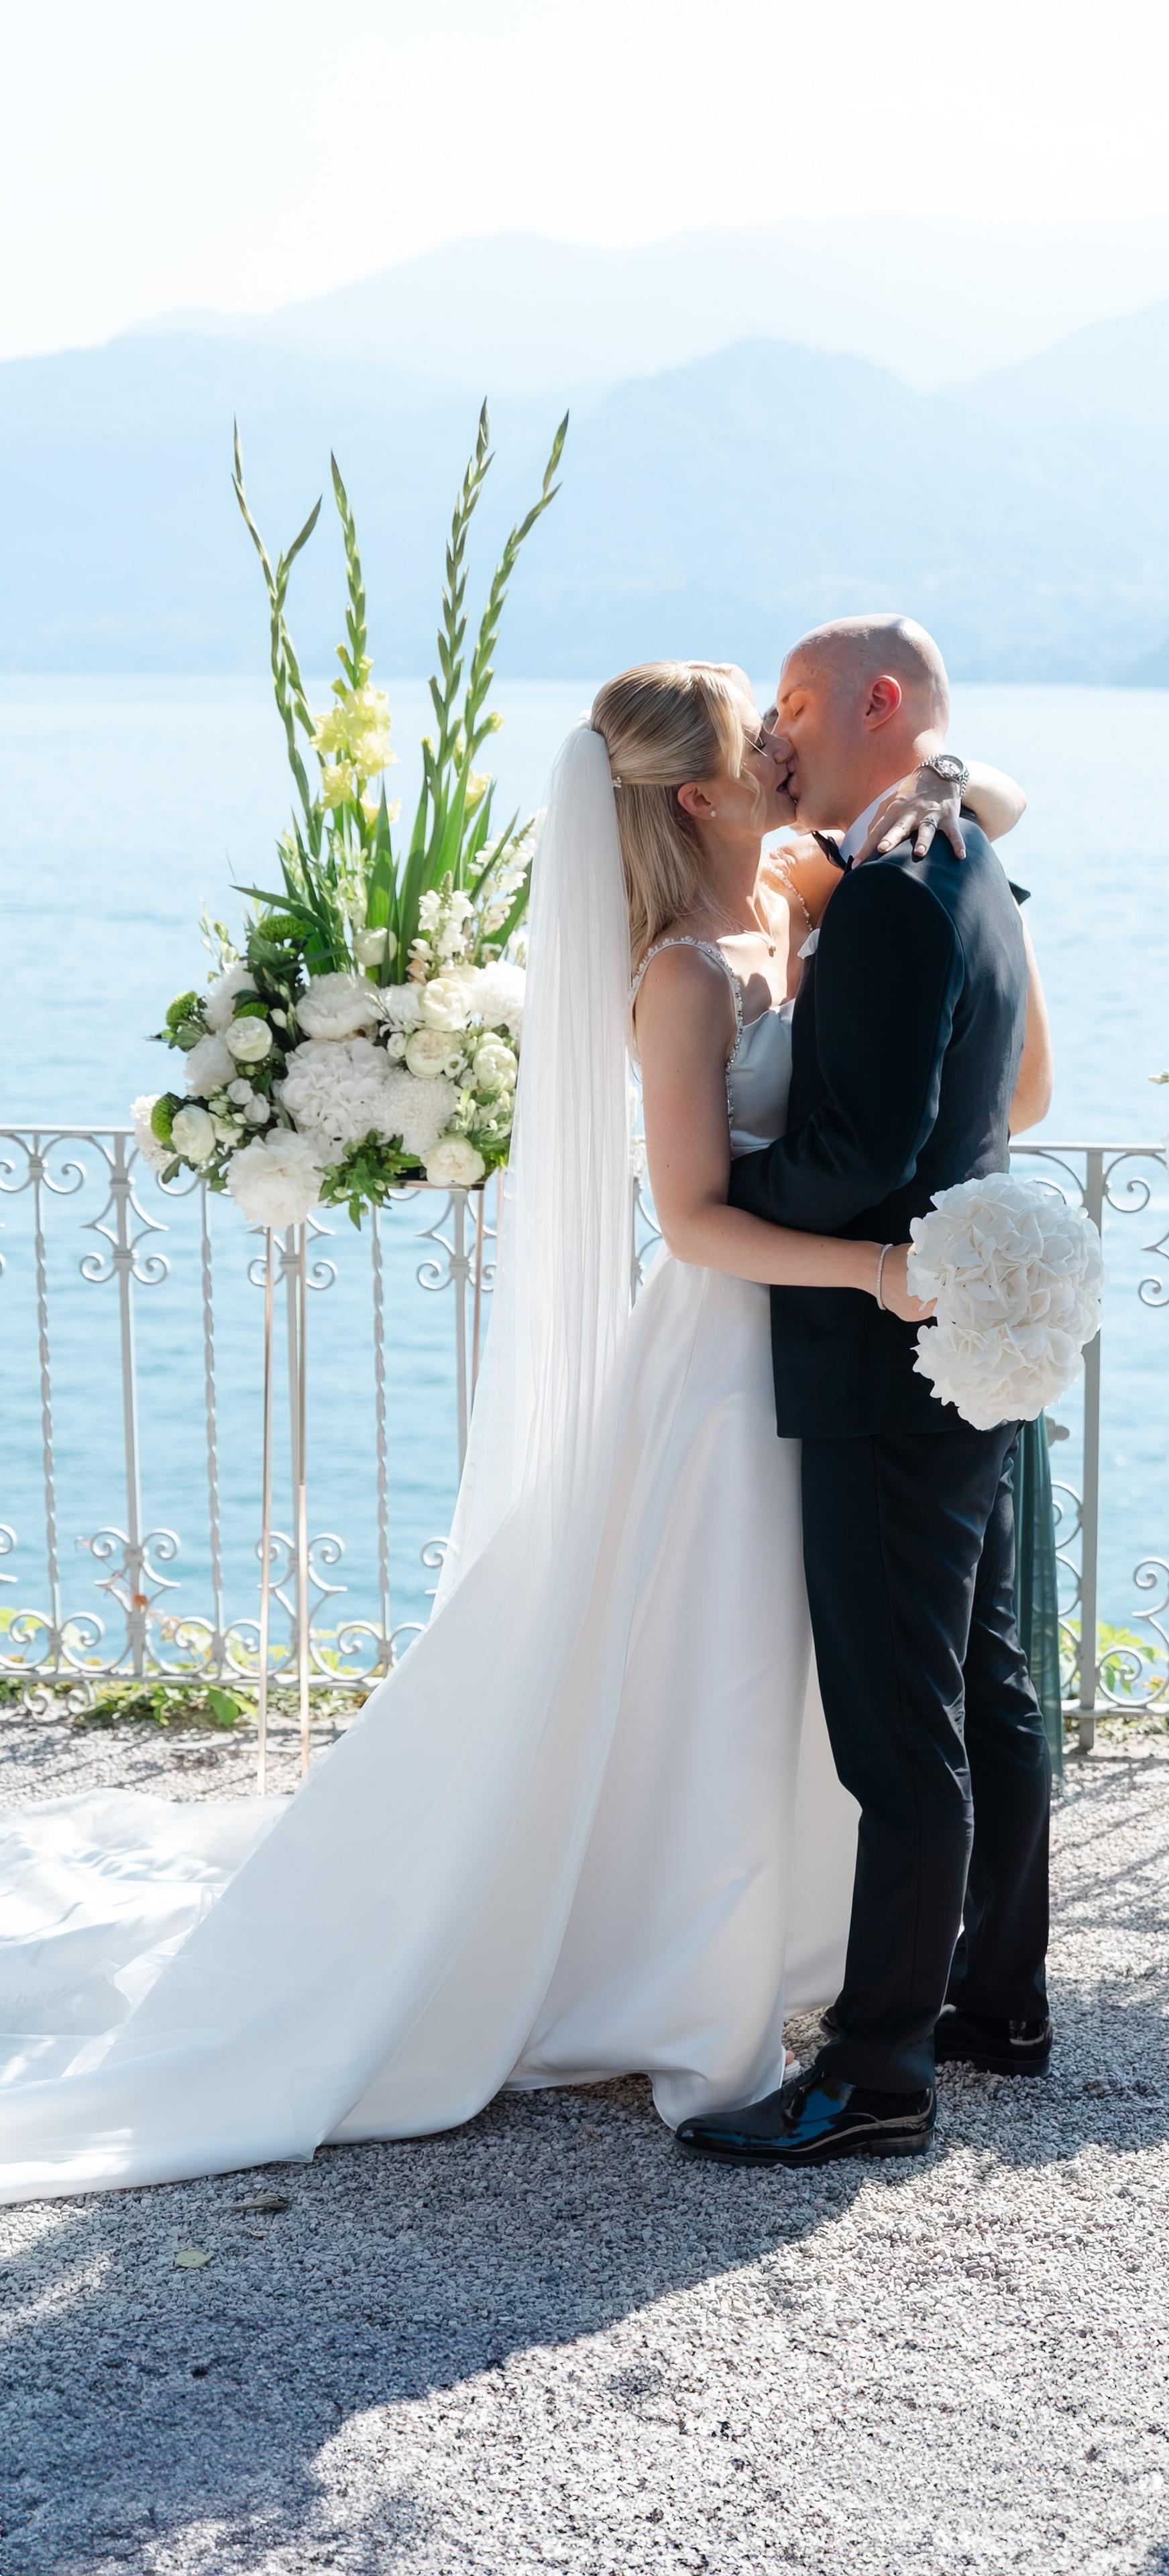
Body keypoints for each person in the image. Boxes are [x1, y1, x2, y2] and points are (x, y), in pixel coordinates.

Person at [0, 656, 1047, 2203]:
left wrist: (942, 782)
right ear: (694, 790)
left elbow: (970, 805)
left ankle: (881, 1987)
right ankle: (680, 1963)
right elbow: (691, 1221)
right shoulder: (681, 970)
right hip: (733, 1354)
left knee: (871, 1683)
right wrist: (878, 1266)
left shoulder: (801, 888)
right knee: (724, 1670)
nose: (781, 746)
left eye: (788, 723)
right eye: (756, 738)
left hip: (836, 1366)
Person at [674, 616, 1055, 2174]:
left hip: (890, 1346)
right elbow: (1003, 1095)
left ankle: (879, 2073)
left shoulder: (896, 895)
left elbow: (865, 1156)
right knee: (982, 1681)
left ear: (872, 705)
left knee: (896, 1736)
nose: (771, 736)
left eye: (789, 708)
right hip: (972, 1321)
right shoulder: (961, 856)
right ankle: (995, 2003)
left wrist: (725, 1190)